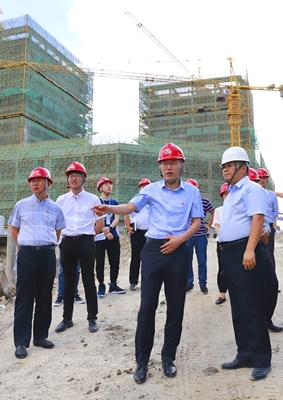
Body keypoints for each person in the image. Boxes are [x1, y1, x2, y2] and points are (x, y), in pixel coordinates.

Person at [92, 143, 202, 384]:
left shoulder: (192, 192)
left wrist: (180, 239)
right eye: (164, 163)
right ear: (160, 167)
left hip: (179, 250)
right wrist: (107, 207)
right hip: (153, 251)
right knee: (147, 307)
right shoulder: (150, 190)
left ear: (181, 165)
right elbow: (130, 207)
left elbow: (196, 222)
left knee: (176, 307)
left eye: (173, 162)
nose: (169, 167)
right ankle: (141, 362)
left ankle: (168, 358)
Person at [218, 147, 272, 382]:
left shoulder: (252, 189)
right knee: (238, 307)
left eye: (229, 165)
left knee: (251, 306)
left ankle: (261, 360)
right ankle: (245, 353)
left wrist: (250, 250)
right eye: (224, 166)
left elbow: (257, 219)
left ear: (243, 167)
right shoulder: (231, 193)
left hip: (244, 250)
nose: (225, 170)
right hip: (229, 253)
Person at [8, 167, 66, 359]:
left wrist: (46, 245)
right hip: (27, 255)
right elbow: (14, 229)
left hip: (47, 254)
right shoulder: (21, 205)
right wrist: (24, 247)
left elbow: (58, 232)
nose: (35, 183)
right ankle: (21, 342)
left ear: (48, 183)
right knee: (24, 297)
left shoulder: (56, 208)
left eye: (39, 180)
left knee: (44, 296)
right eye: (32, 180)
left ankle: (40, 336)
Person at [55, 161, 104, 334]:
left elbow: (100, 223)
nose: (73, 178)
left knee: (89, 280)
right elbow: (57, 224)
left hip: (86, 242)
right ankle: (67, 319)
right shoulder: (61, 200)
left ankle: (92, 318)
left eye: (77, 175)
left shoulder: (93, 199)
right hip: (67, 242)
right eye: (71, 176)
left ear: (84, 178)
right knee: (68, 281)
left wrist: (89, 236)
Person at [248, 168, 283, 333]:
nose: (260, 181)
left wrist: (267, 229)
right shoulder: (237, 196)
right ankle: (252, 324)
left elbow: (272, 214)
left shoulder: (269, 195)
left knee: (270, 280)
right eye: (257, 179)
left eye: (261, 179)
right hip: (246, 239)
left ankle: (266, 319)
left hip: (265, 232)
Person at [94, 177, 126, 297]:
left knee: (115, 261)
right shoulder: (96, 201)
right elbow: (93, 218)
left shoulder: (114, 203)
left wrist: (110, 228)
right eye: (106, 184)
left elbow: (117, 218)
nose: (109, 186)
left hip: (113, 235)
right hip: (99, 236)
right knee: (100, 261)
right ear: (100, 188)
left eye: (110, 184)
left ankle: (113, 284)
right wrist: (104, 230)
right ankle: (101, 284)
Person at [54, 185, 84, 307]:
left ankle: (75, 293)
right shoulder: (62, 201)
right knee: (63, 270)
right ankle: (60, 295)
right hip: (65, 240)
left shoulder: (82, 202)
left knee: (77, 269)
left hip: (80, 240)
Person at [185, 178, 215, 294]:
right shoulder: (183, 202)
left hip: (201, 235)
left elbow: (213, 212)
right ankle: (189, 283)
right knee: (187, 260)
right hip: (188, 236)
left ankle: (203, 283)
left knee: (202, 261)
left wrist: (209, 225)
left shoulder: (204, 202)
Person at [124, 178, 151, 291]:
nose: (145, 188)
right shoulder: (135, 201)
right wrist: (128, 226)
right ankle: (133, 282)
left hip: (149, 233)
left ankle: (147, 281)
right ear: (139, 188)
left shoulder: (152, 201)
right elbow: (126, 213)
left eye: (147, 187)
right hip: (137, 232)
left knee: (148, 258)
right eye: (143, 186)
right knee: (136, 257)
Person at [256, 168, 279, 267]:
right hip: (254, 224)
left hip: (268, 225)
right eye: (260, 178)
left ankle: (271, 273)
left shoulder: (272, 195)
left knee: (269, 252)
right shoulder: (251, 193)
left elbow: (275, 211)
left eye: (264, 178)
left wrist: (267, 222)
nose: (262, 180)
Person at [212, 183, 229, 305]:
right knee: (222, 268)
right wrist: (221, 236)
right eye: (225, 194)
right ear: (222, 196)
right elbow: (216, 225)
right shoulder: (219, 210)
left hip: (236, 242)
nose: (227, 196)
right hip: (222, 242)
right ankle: (222, 294)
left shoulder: (239, 210)